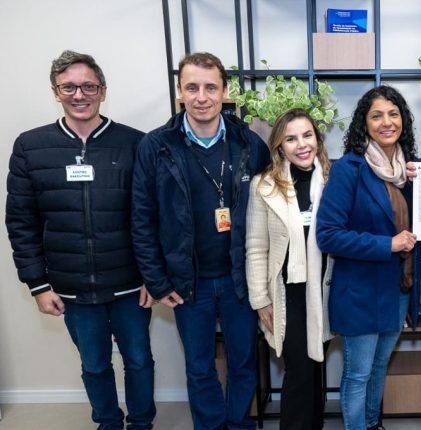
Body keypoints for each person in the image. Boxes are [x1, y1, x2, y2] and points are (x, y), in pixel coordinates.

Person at [5, 50, 156, 430]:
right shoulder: (31, 146)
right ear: (55, 92)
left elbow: (153, 217)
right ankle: (107, 423)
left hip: (130, 285)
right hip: (70, 286)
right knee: (94, 363)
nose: (79, 94)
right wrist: (38, 285)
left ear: (103, 90)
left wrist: (154, 279)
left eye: (88, 86)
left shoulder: (135, 144)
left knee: (139, 359)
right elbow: (20, 222)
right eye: (68, 86)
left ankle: (141, 423)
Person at [317, 85, 421, 430]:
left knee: (378, 368)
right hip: (359, 292)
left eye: (393, 114)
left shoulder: (410, 174)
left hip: (397, 291)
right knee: (358, 374)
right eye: (377, 115)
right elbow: (328, 235)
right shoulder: (349, 169)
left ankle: (372, 424)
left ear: (403, 120)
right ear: (364, 123)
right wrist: (387, 244)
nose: (386, 122)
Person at [131, 52, 270, 430]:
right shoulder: (156, 146)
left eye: (211, 87)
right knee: (199, 366)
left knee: (243, 361)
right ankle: (210, 426)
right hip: (187, 282)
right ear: (180, 91)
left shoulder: (249, 144)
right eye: (192, 87)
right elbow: (142, 219)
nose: (202, 96)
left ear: (225, 91)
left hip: (240, 279)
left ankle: (240, 423)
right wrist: (157, 281)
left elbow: (269, 214)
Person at [247, 108, 333, 430]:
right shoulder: (264, 186)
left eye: (307, 135)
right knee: (299, 369)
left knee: (314, 368)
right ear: (279, 146)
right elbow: (256, 247)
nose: (301, 145)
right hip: (286, 294)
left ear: (317, 138)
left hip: (324, 291)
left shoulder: (332, 180)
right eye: (291, 138)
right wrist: (260, 300)